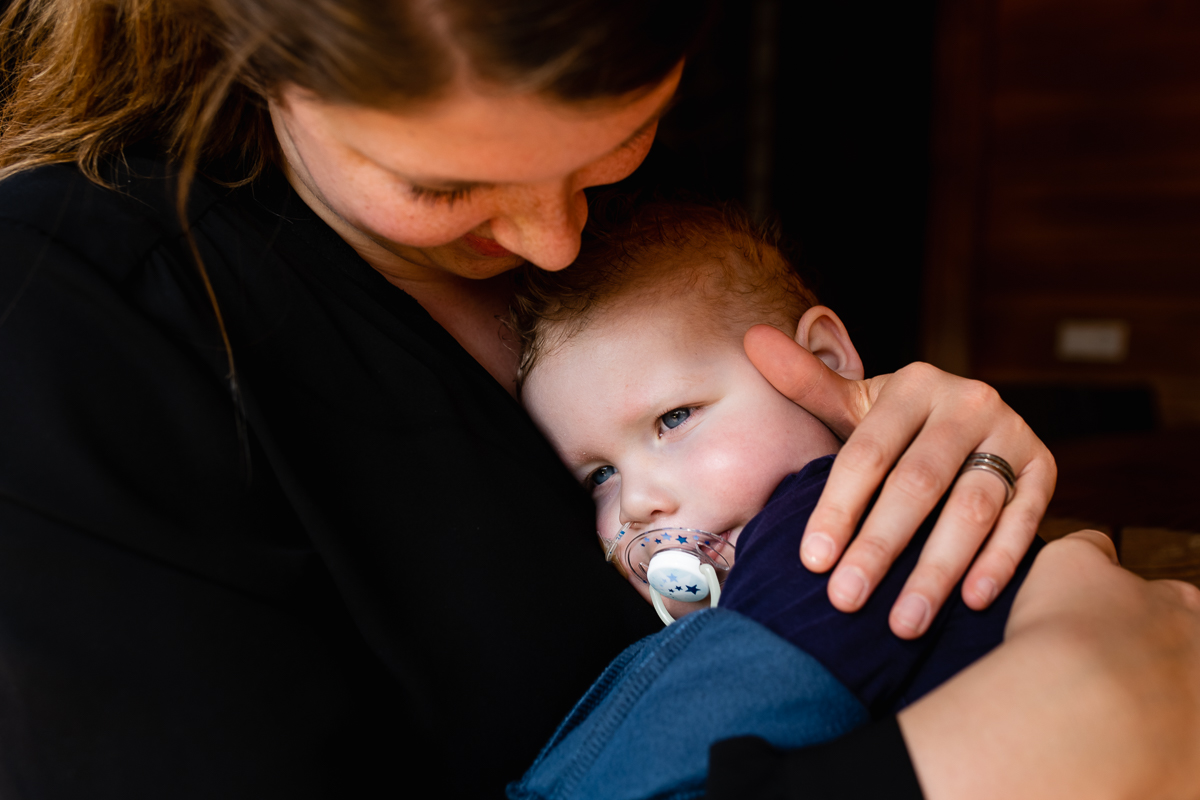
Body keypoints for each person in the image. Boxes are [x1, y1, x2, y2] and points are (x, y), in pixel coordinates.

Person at [1, 1, 1198, 798]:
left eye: (616, 143)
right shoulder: (68, 315)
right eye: (446, 183)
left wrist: (922, 459)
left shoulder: (621, 244)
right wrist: (1035, 734)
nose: (555, 238)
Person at [512, 199, 1040, 719]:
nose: (637, 502)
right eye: (601, 475)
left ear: (823, 360)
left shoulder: (814, 532)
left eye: (675, 418)